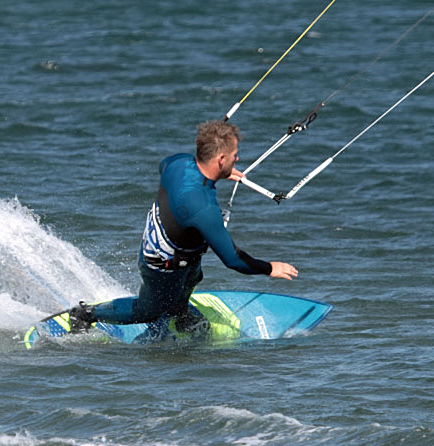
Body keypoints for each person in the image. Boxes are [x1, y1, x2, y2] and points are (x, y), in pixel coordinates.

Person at [68, 120, 297, 331]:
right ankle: (86, 314)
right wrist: (269, 268)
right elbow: (233, 260)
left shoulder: (178, 162)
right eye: (234, 156)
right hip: (162, 265)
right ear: (220, 160)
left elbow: (163, 165)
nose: (237, 159)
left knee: (193, 277)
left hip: (176, 245)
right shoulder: (202, 207)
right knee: (146, 312)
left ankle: (178, 313)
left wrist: (219, 175)